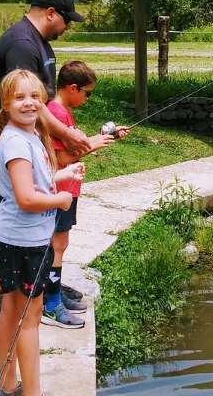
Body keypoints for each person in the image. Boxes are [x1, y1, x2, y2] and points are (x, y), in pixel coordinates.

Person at [0, 0, 91, 314]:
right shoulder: (23, 45)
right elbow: (30, 103)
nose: (67, 27)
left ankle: (40, 279)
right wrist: (67, 134)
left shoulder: (38, 42)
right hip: (1, 142)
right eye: (67, 20)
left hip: (29, 141)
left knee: (35, 207)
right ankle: (3, 291)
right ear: (51, 13)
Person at [0, 69, 86, 396]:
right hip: (22, 243)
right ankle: (31, 392)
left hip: (15, 239)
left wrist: (62, 174)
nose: (29, 103)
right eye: (19, 97)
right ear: (5, 104)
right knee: (28, 320)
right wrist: (60, 199)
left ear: (43, 101)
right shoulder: (17, 142)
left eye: (34, 96)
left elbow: (33, 183)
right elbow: (27, 198)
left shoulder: (27, 136)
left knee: (12, 311)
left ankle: (8, 384)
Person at [42, 61, 130, 328]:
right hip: (60, 191)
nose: (88, 98)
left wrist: (104, 137)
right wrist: (94, 147)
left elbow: (74, 145)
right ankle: (51, 304)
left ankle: (53, 295)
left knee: (61, 243)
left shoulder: (62, 111)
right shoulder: (56, 113)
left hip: (68, 191)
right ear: (72, 88)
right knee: (57, 245)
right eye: (87, 93)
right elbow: (59, 159)